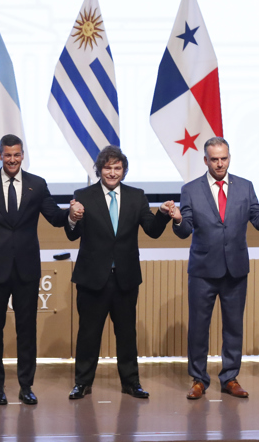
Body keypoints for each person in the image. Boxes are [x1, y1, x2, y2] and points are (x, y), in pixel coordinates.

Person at [0, 134, 80, 406]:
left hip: (26, 268)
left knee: (27, 329)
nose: (12, 160)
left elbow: (55, 217)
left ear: (22, 155)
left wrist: (71, 214)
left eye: (16, 155)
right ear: (0, 155)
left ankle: (26, 386)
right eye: (7, 155)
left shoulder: (37, 184)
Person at [171, 137, 259, 400]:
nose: (220, 163)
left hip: (235, 269)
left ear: (229, 158)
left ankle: (230, 378)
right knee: (198, 328)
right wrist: (178, 219)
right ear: (205, 160)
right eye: (214, 159)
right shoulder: (190, 189)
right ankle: (199, 379)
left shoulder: (245, 187)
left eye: (224, 158)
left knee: (234, 327)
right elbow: (185, 229)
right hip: (202, 271)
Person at [66, 145, 175, 400]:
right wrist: (72, 217)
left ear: (124, 170)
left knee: (126, 334)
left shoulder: (137, 196)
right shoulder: (83, 195)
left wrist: (162, 214)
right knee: (88, 334)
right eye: (108, 168)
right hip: (92, 279)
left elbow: (152, 230)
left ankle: (131, 383)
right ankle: (82, 383)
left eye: (117, 168)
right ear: (99, 169)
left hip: (125, 278)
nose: (113, 173)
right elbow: (72, 234)